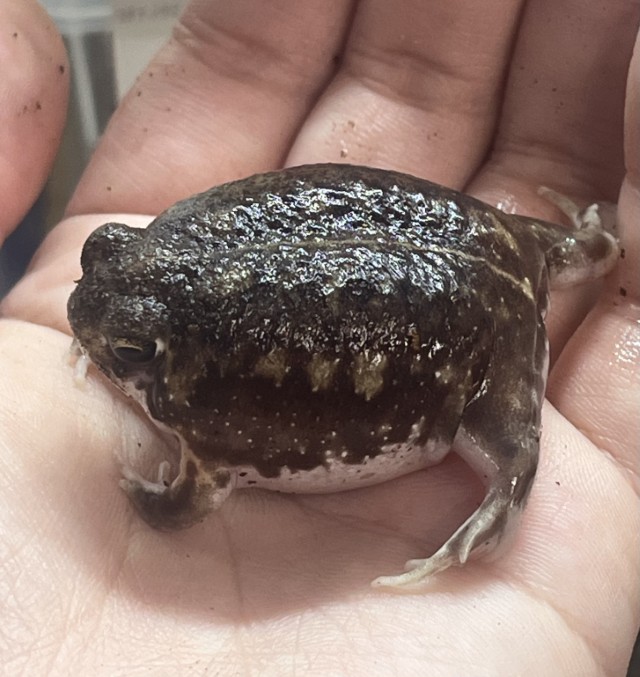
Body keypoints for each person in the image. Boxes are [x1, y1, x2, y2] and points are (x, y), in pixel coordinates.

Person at [1, 0, 638, 674]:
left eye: (131, 350)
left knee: (503, 449)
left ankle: (506, 498)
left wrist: (150, 505)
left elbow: (194, 495)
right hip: (484, 235)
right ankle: (589, 247)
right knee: (532, 249)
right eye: (105, 252)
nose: (84, 308)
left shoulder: (201, 416)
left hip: (479, 334)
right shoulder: (176, 239)